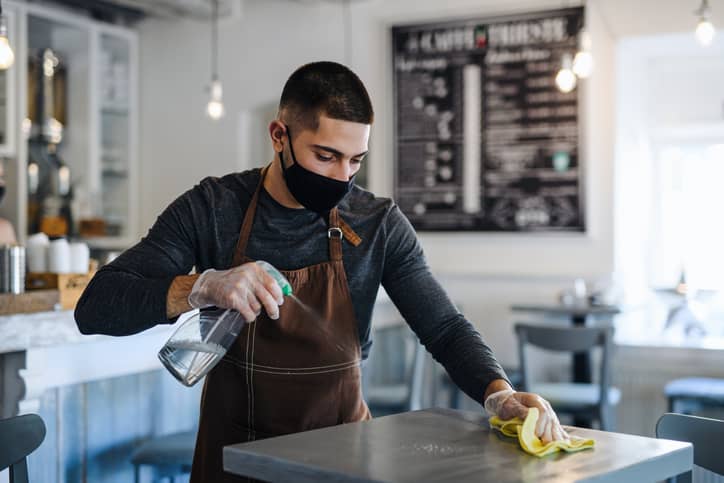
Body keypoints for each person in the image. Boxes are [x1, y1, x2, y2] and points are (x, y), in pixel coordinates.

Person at [75, 61, 568, 482]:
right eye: (325, 156)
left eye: (355, 161)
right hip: (233, 462)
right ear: (279, 136)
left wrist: (498, 393)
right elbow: (96, 306)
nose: (341, 177)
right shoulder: (212, 207)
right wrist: (203, 286)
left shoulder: (377, 224)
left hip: (342, 460)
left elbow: (443, 326)